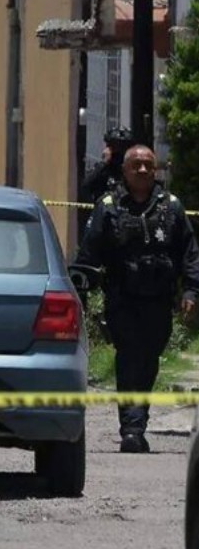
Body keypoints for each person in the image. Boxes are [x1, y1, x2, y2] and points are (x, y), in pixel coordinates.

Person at [75, 145, 199, 453]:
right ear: (125, 171)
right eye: (136, 165)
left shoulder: (171, 207)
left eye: (148, 165)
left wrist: (191, 291)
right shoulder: (108, 206)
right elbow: (89, 255)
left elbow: (190, 253)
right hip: (123, 301)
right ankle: (132, 428)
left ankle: (136, 420)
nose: (142, 170)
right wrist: (81, 293)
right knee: (129, 358)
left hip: (159, 302)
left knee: (149, 361)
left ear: (155, 170)